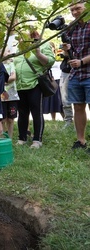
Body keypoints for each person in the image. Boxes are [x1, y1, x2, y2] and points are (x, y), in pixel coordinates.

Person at [14, 30, 55, 149]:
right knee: (22, 113)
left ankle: (37, 139)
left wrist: (37, 52)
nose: (20, 36)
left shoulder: (43, 44)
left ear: (31, 34)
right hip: (20, 85)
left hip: (35, 84)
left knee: (36, 112)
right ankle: (22, 138)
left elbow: (50, 62)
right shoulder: (19, 48)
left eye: (23, 33)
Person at [62, 1, 90, 149]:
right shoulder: (71, 28)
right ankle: (81, 141)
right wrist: (67, 50)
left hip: (88, 72)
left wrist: (82, 61)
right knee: (78, 107)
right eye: (72, 10)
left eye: (78, 8)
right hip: (75, 74)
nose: (74, 12)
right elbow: (68, 54)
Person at [0, 50, 19, 139]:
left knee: (11, 119)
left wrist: (3, 81)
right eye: (6, 51)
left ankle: (10, 138)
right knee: (2, 119)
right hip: (1, 95)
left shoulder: (11, 64)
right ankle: (3, 137)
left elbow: (13, 77)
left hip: (12, 95)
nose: (8, 52)